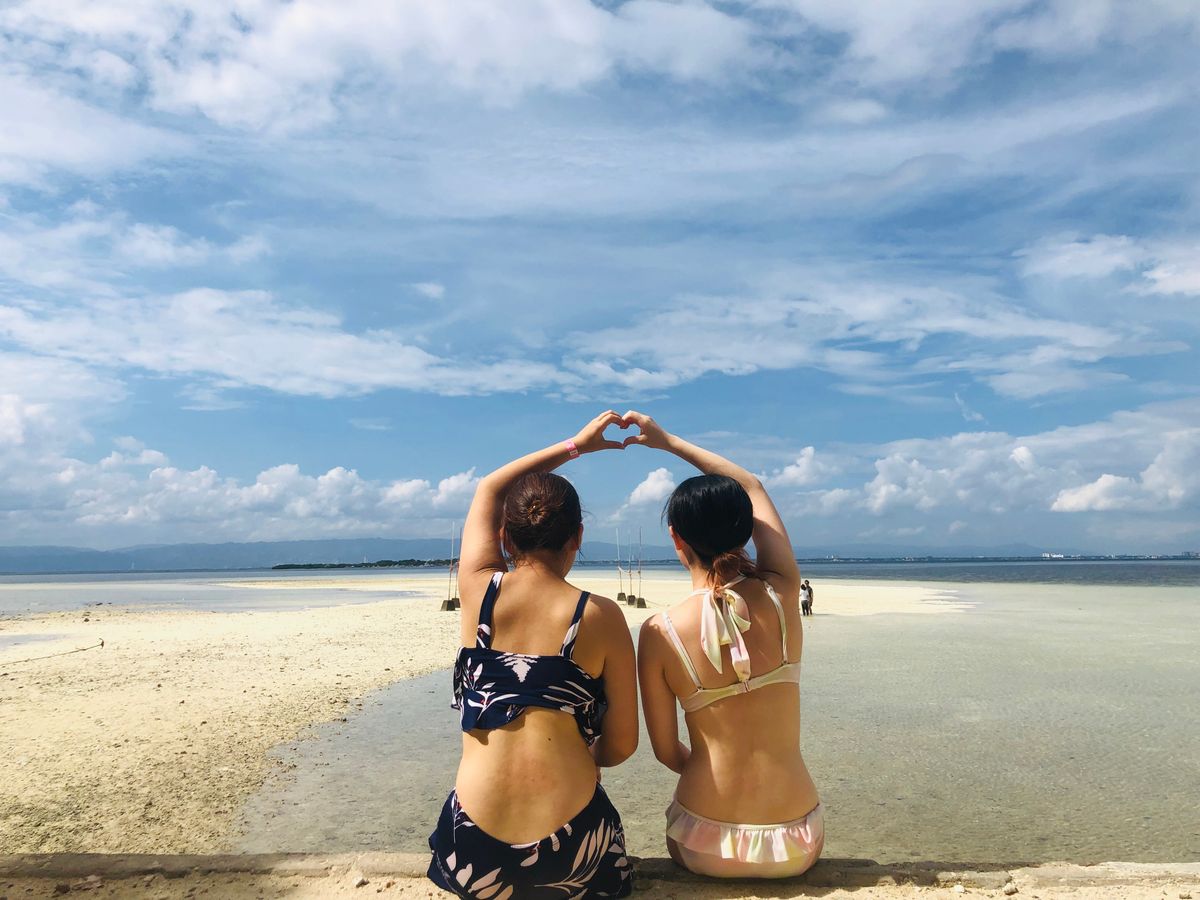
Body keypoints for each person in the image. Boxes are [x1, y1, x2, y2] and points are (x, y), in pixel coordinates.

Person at [428, 411, 638, 898]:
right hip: (573, 851)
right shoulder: (600, 616)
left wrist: (576, 446)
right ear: (578, 537)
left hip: (473, 851)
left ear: (505, 535)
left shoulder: (478, 591)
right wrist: (583, 755)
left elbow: (489, 488)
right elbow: (622, 745)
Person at [627, 410, 823, 879]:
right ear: (746, 530)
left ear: (676, 539)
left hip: (703, 840)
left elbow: (667, 752)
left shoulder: (659, 632)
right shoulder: (782, 593)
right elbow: (751, 485)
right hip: (795, 842)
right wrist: (668, 441)